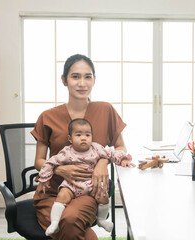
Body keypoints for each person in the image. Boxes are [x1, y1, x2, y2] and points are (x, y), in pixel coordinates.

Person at [31, 53, 135, 240]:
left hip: (88, 191)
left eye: (88, 77)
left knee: (70, 221)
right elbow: (39, 161)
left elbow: (121, 148)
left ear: (94, 80)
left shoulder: (106, 110)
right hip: (51, 193)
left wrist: (102, 162)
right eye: (75, 76)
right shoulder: (47, 116)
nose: (82, 83)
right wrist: (61, 170)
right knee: (81, 233)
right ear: (64, 80)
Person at [38, 118, 133, 236]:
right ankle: (55, 223)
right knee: (62, 195)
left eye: (87, 135)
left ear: (92, 137)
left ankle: (101, 220)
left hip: (91, 184)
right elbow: (50, 163)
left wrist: (123, 159)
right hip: (71, 184)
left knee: (103, 196)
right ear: (70, 139)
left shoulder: (96, 148)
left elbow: (112, 154)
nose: (83, 138)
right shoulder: (66, 152)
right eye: (78, 135)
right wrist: (44, 178)